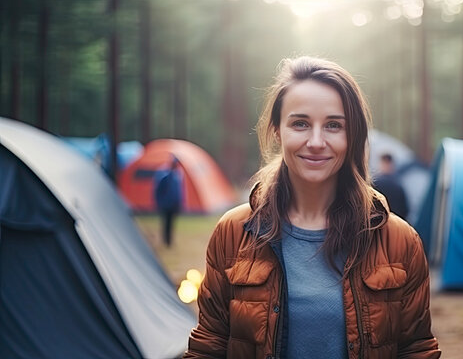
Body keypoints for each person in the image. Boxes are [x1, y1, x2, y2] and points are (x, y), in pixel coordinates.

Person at [185, 56, 440, 358]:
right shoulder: (233, 233)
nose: (316, 141)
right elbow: (209, 345)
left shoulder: (400, 241)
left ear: (352, 135)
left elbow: (417, 349)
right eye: (300, 124)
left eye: (333, 125)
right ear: (278, 131)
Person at [154, 155, 183, 247]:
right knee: (166, 223)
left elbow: (179, 192)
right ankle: (165, 240)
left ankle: (169, 241)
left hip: (174, 204)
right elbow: (159, 191)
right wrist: (160, 202)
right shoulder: (165, 176)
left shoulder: (177, 176)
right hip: (166, 205)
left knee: (171, 223)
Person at [373, 153, 409, 220]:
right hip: (396, 221)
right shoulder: (398, 184)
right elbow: (405, 210)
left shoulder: (375, 183)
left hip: (380, 222)